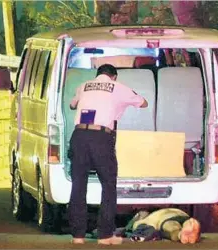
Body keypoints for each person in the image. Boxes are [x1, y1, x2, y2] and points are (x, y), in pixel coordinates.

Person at [68, 64, 148, 245]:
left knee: (78, 185)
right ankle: (105, 235)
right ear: (114, 76)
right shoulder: (118, 87)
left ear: (97, 75)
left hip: (79, 136)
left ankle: (77, 236)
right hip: (100, 138)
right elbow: (143, 103)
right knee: (108, 185)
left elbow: (73, 105)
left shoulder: (84, 85)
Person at [126, 208, 201, 244]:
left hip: (164, 218)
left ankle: (180, 234)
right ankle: (188, 224)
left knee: (171, 226)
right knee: (183, 220)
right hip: (180, 212)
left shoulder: (141, 222)